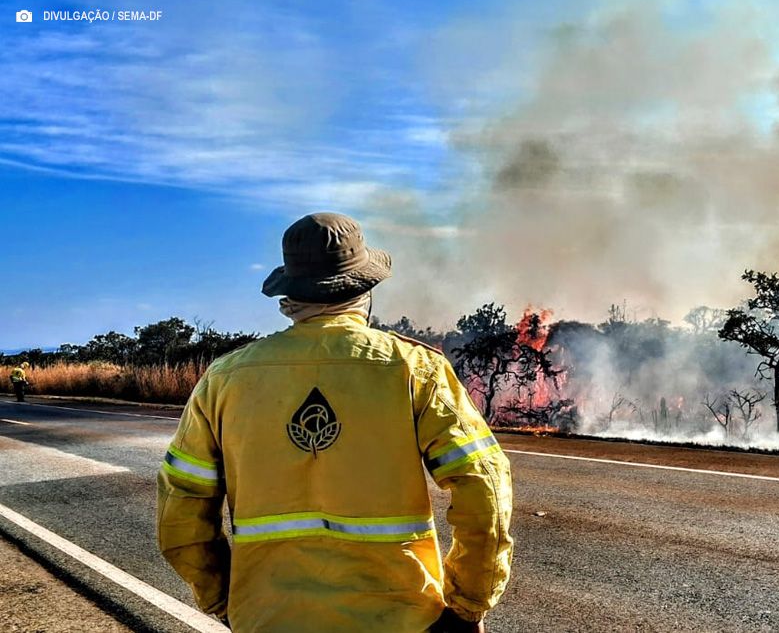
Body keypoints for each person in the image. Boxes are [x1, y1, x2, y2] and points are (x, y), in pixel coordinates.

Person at [157, 212, 513, 632]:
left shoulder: (225, 378)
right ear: (365, 287)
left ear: (289, 292)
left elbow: (181, 509)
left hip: (268, 619)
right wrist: (469, 604)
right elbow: (484, 486)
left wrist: (223, 600)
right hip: (400, 620)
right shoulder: (413, 368)